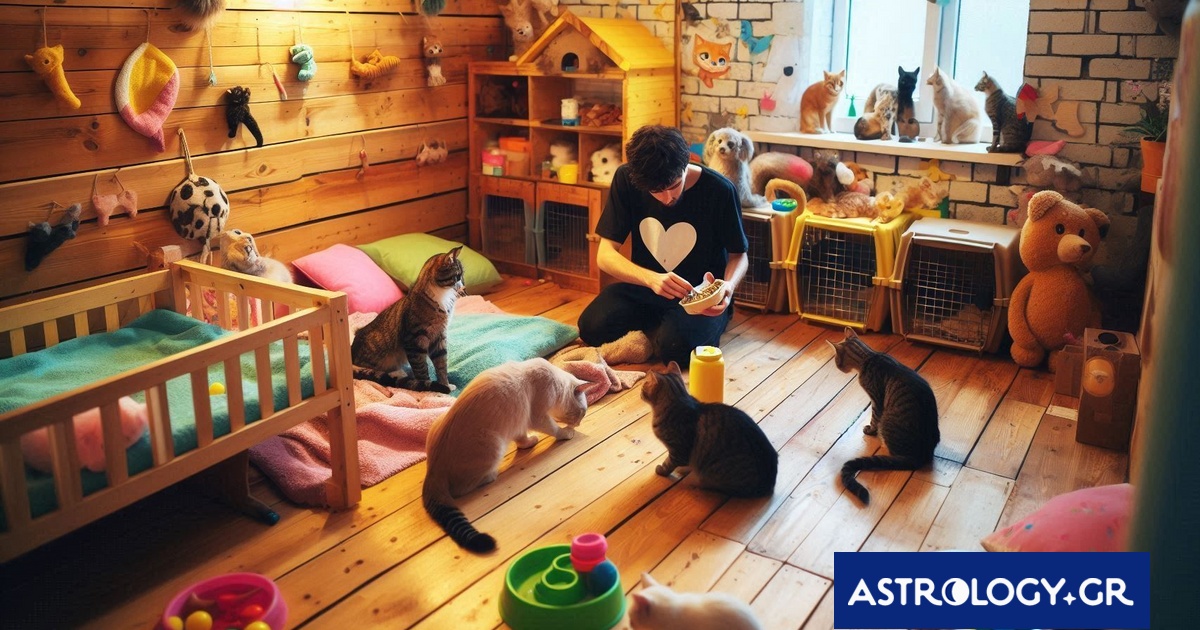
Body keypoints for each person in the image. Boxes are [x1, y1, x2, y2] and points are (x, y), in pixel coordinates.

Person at [577, 125, 749, 365]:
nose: (668, 198)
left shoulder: (719, 189)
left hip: (698, 296)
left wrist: (728, 287)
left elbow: (739, 255)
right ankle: (662, 327)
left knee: (675, 350)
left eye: (674, 185)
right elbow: (605, 254)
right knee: (590, 327)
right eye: (656, 191)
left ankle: (666, 331)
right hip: (646, 286)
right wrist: (651, 279)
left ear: (686, 164)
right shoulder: (627, 178)